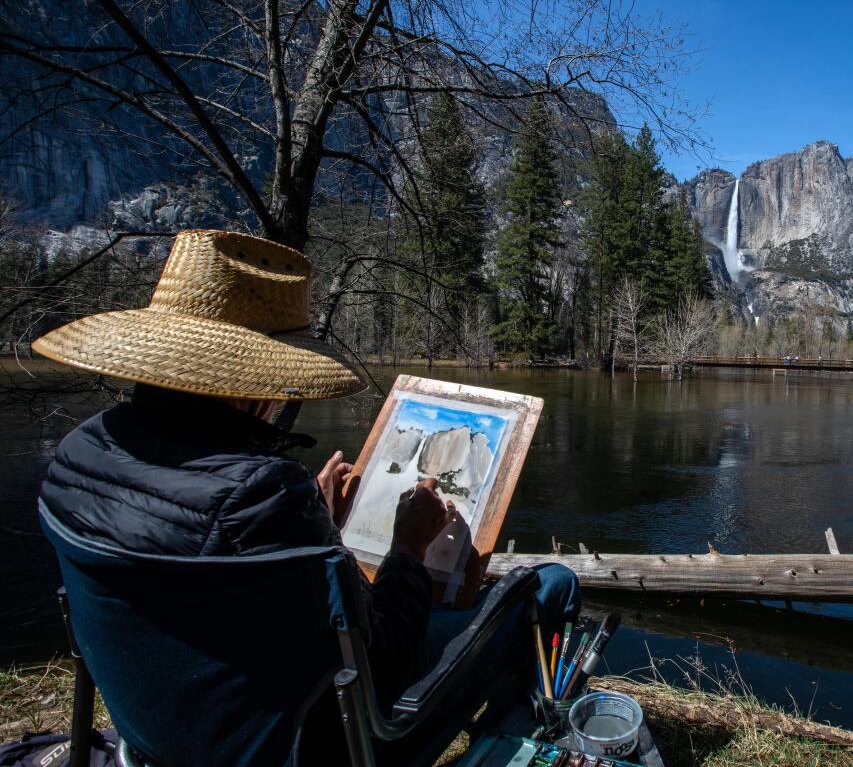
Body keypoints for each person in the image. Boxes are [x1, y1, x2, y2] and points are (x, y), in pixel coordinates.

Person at [34, 229, 578, 762]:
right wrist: (408, 549)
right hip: (322, 744)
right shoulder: (260, 494)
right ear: (249, 387)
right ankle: (514, 740)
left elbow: (226, 593)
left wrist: (313, 521)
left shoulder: (80, 452)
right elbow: (385, 664)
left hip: (162, 730)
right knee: (551, 584)